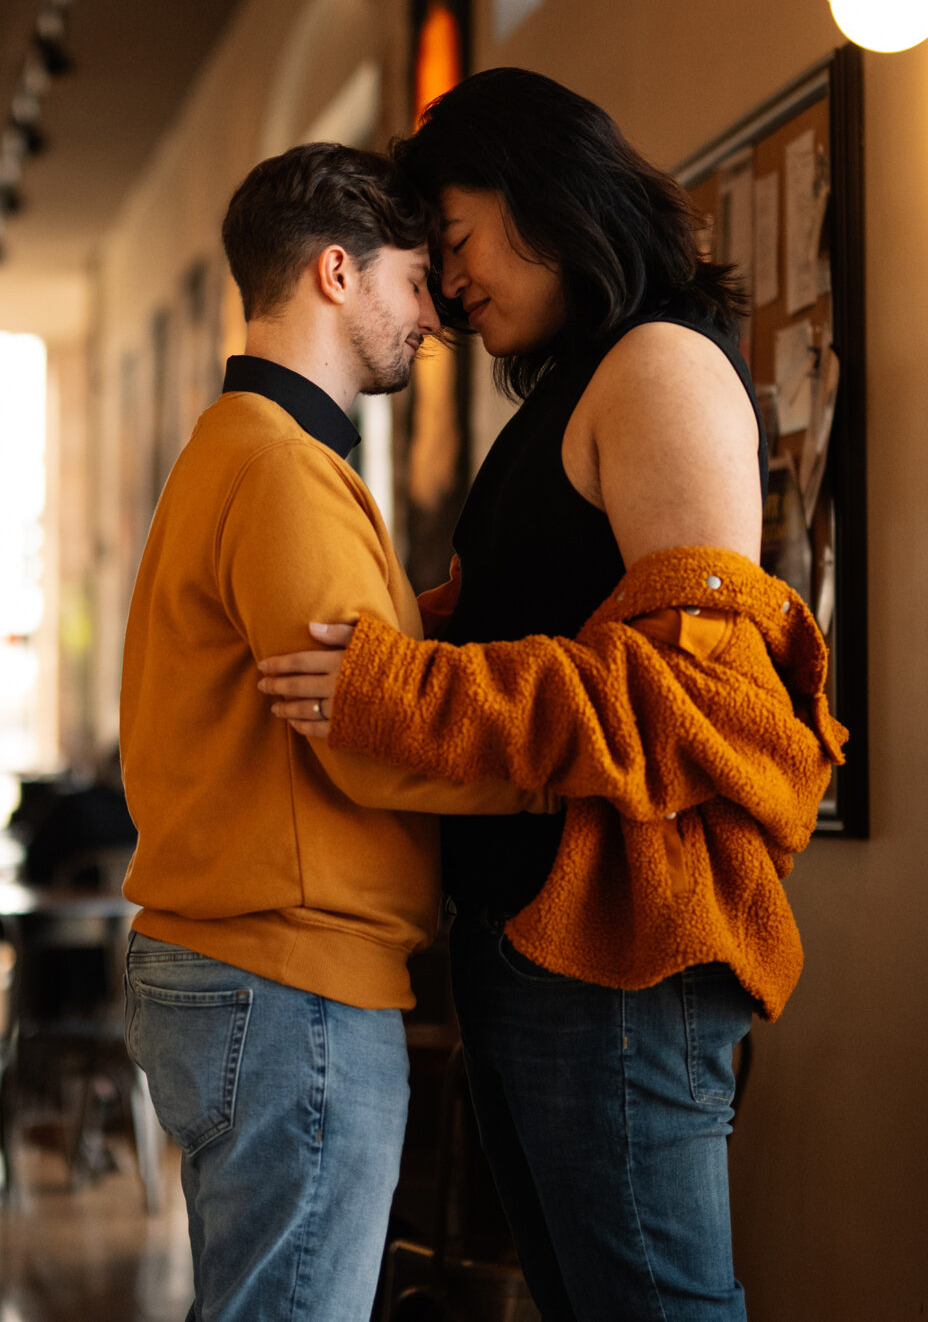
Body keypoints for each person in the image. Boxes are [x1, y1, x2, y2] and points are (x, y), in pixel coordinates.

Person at [256, 69, 846, 1322]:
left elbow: (701, 698)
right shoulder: (578, 388)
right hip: (546, 946)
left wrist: (400, 690)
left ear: (544, 190)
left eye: (455, 240)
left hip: (623, 956)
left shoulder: (659, 369)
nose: (450, 288)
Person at [118, 142, 545, 1322]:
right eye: (416, 284)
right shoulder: (282, 473)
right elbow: (369, 730)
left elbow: (357, 689)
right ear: (337, 273)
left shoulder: (233, 453)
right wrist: (558, 777)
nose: (432, 318)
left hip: (245, 972)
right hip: (286, 980)